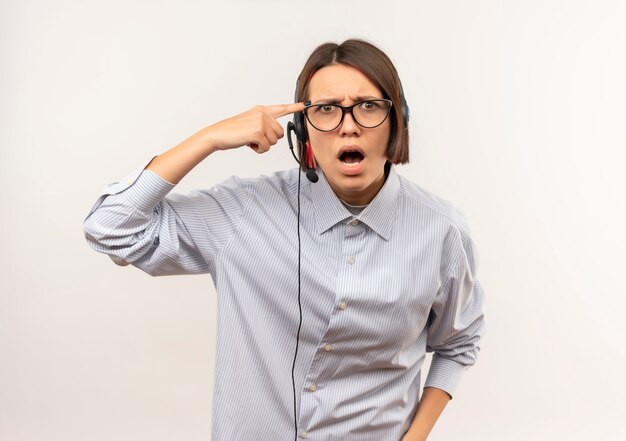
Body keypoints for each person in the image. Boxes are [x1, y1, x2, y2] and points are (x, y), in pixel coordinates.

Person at [84, 39, 486, 441]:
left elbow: (458, 342)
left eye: (368, 106)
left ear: (397, 120)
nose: (348, 125)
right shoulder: (243, 211)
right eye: (326, 109)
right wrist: (209, 138)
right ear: (302, 131)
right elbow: (110, 227)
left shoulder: (442, 231)